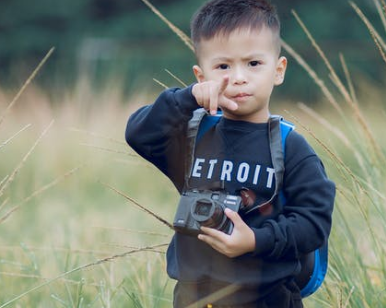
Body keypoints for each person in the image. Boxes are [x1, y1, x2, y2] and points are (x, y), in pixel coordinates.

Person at [125, 0, 335, 307]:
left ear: (278, 70)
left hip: (268, 296)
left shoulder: (290, 147)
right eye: (223, 66)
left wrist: (255, 241)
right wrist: (187, 99)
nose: (238, 77)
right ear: (201, 76)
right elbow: (138, 134)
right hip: (193, 295)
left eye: (253, 64)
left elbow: (314, 223)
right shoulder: (192, 136)